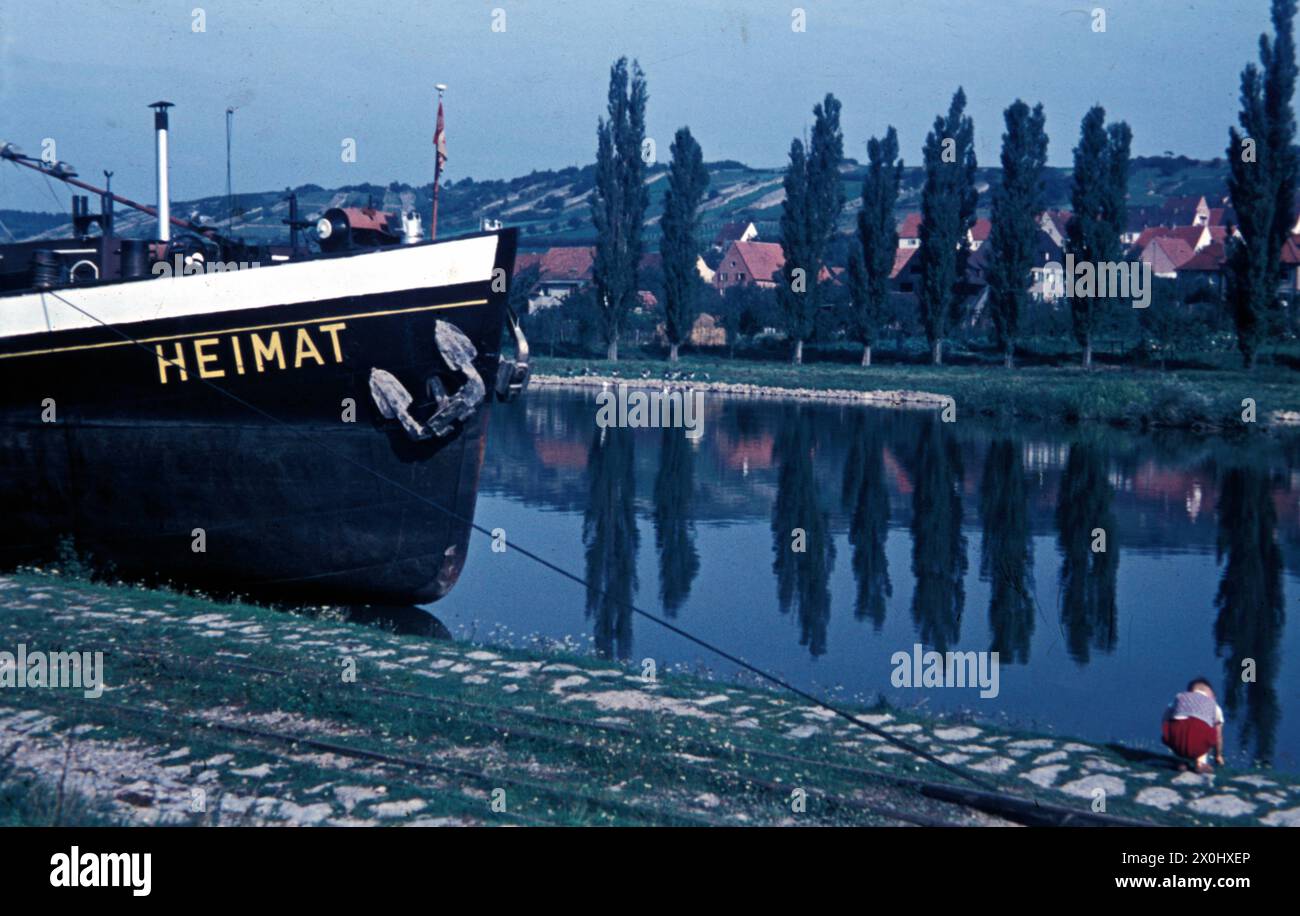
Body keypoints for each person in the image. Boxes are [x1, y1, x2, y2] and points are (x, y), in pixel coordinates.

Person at [1161, 677, 1225, 773]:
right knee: (1208, 732)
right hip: (1199, 741)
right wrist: (1218, 756)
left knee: (1174, 728)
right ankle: (1200, 762)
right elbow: (1218, 737)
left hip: (1177, 739)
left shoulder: (1179, 698)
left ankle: (1180, 761)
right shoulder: (1214, 706)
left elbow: (1165, 721)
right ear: (1211, 695)